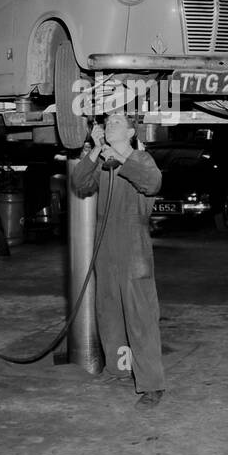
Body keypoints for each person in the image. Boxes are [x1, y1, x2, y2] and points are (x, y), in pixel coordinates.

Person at [70, 110, 166, 410]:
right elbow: (80, 183)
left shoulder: (141, 159)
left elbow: (153, 182)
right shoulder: (103, 162)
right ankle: (118, 368)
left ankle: (152, 385)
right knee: (108, 310)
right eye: (105, 122)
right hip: (105, 246)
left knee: (140, 315)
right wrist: (97, 149)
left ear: (130, 133)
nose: (107, 125)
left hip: (133, 246)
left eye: (115, 123)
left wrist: (122, 158)